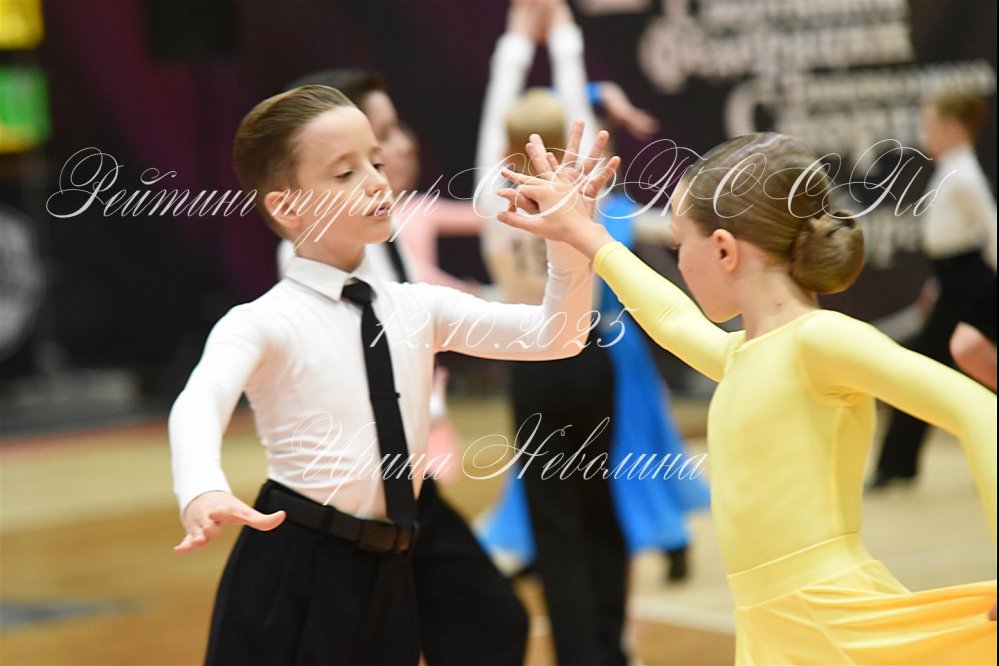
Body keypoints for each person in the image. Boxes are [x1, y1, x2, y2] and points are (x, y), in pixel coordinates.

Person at [495, 129, 997, 664]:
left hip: (834, 624)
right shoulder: (740, 356)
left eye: (679, 243)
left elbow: (978, 407)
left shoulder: (818, 339)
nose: (678, 264)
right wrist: (586, 235)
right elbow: (671, 319)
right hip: (772, 631)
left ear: (723, 249)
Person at [169, 85, 616, 664]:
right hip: (295, 569)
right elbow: (201, 398)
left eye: (375, 163)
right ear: (286, 207)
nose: (376, 181)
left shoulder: (416, 306)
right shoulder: (262, 321)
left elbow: (559, 336)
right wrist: (201, 484)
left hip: (393, 565)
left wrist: (571, 240)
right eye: (344, 173)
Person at [870, 91, 997, 489]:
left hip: (969, 283)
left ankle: (896, 466)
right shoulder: (952, 169)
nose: (925, 134)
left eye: (930, 126)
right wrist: (937, 284)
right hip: (953, 279)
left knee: (924, 371)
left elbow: (992, 231)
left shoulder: (965, 174)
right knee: (942, 369)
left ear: (953, 127)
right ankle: (898, 465)